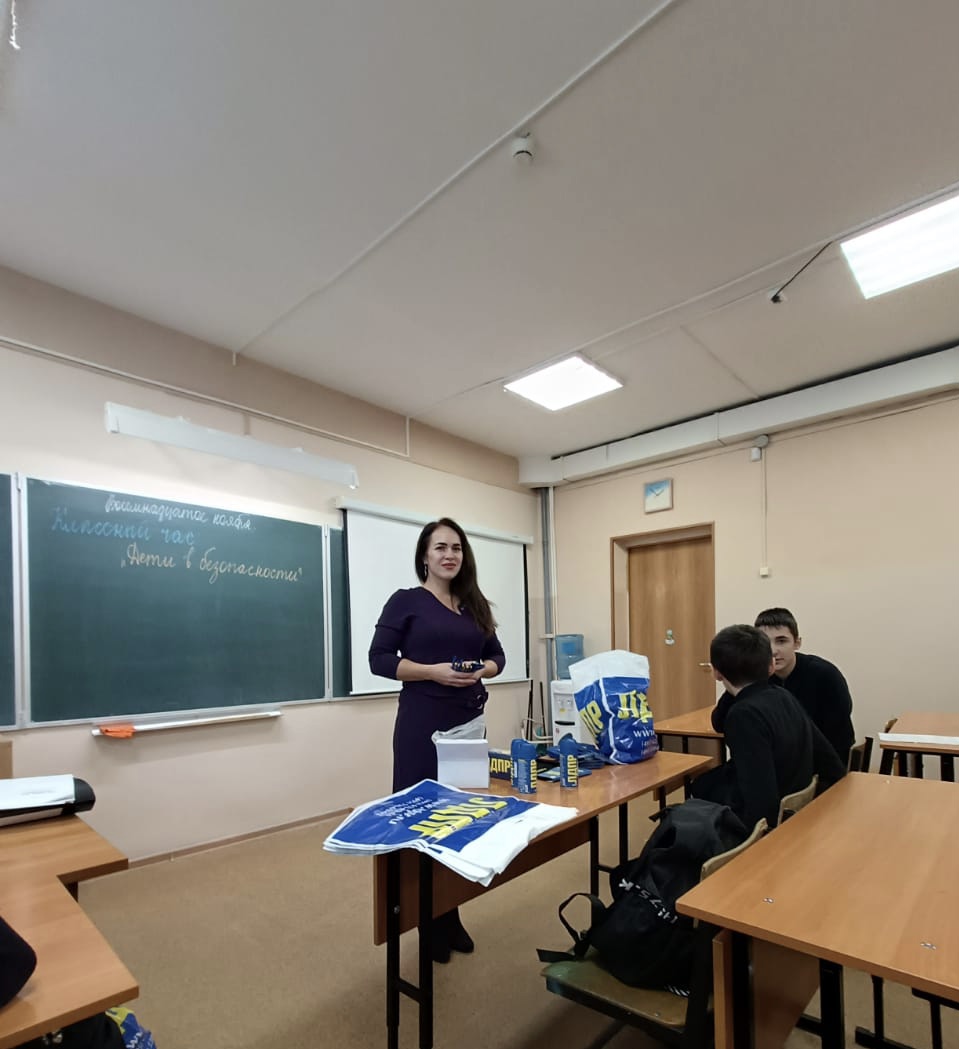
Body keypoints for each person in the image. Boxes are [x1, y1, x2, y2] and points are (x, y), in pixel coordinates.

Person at [369, 516, 505, 963]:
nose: (450, 555)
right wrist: (434, 672)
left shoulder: (474, 604)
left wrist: (480, 669)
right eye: (440, 547)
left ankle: (450, 913)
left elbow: (498, 657)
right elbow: (379, 660)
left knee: (459, 820)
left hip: (468, 726)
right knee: (423, 822)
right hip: (422, 727)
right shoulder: (406, 601)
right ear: (425, 556)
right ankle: (425, 921)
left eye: (457, 548)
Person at [696, 625, 845, 831]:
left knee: (699, 793)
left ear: (716, 673)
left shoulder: (743, 715)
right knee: (705, 783)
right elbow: (831, 764)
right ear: (771, 666)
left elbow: (761, 804)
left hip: (775, 827)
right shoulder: (783, 695)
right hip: (799, 808)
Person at [753, 607, 855, 767]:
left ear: (797, 643)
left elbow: (839, 734)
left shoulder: (824, 674)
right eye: (765, 643)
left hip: (824, 762)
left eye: (781, 641)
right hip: (777, 761)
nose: (773, 651)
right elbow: (723, 721)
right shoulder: (757, 676)